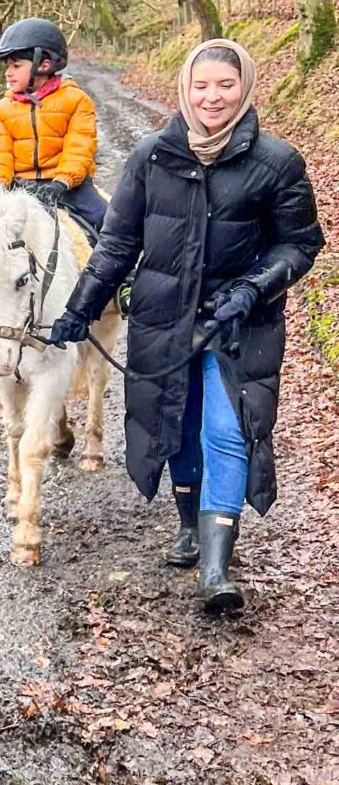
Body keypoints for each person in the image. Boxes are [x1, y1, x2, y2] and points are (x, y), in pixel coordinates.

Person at [48, 38, 323, 612]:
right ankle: (190, 525)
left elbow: (299, 244)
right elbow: (119, 243)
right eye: (201, 86)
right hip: (162, 317)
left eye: (225, 85)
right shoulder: (152, 155)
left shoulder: (277, 162)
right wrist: (79, 309)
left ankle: (216, 569)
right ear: (185, 90)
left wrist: (252, 289)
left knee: (227, 430)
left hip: (239, 323)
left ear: (244, 87)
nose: (212, 97)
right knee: (174, 422)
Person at [0, 17, 104, 317]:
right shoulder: (2, 109)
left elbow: (80, 146)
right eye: (7, 66)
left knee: (107, 219)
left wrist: (63, 181)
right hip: (19, 188)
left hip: (67, 188)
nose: (8, 72)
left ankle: (125, 284)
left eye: (15, 65)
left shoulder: (76, 101)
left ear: (44, 63)